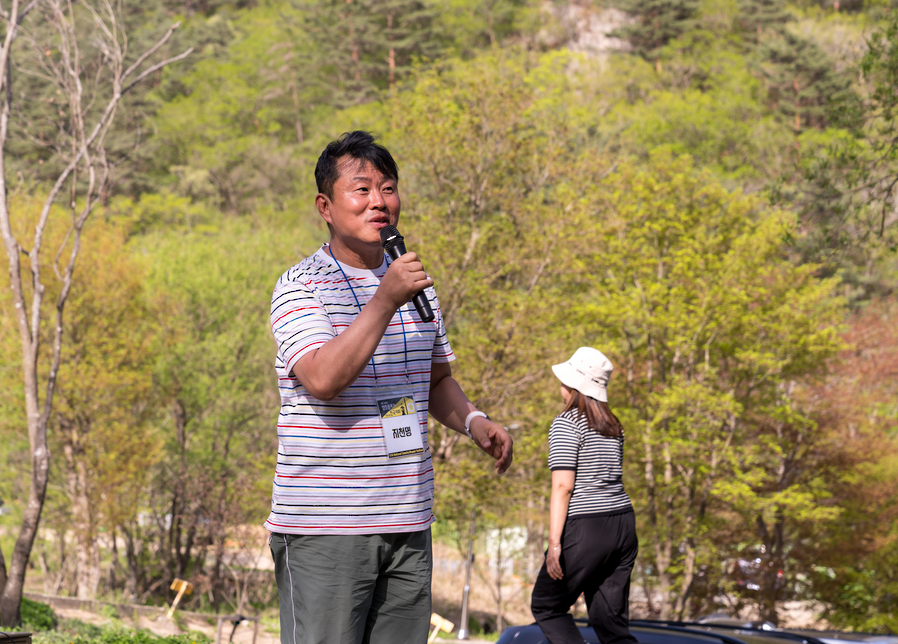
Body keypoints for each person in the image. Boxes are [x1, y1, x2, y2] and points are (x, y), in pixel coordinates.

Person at [266, 130, 513, 644]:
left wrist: (473, 421)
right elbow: (323, 379)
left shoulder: (415, 284)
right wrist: (384, 299)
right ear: (326, 206)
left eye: (388, 188)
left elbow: (435, 377)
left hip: (408, 520)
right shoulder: (300, 286)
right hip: (325, 527)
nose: (379, 202)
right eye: (361, 190)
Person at [530, 347, 638, 644]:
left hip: (588, 526)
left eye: (564, 381)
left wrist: (554, 545)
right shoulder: (614, 426)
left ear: (575, 386)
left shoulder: (566, 423)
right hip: (624, 525)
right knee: (611, 624)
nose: (560, 386)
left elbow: (563, 486)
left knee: (546, 605)